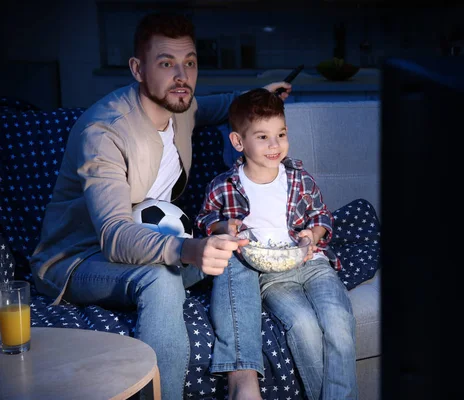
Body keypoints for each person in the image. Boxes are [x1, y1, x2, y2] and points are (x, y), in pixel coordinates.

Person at [30, 12, 292, 400]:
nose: (181, 75)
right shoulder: (103, 131)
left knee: (236, 249)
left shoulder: (181, 106)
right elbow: (114, 236)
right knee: (162, 280)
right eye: (166, 64)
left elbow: (211, 108)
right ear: (137, 69)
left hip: (153, 243)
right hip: (80, 259)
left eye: (189, 63)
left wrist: (257, 95)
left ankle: (243, 384)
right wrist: (188, 249)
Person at [196, 88, 358, 400]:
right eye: (263, 137)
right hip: (270, 275)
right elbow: (203, 219)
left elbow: (322, 215)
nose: (275, 145)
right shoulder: (224, 187)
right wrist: (222, 225)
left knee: (337, 320)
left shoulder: (298, 178)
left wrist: (313, 235)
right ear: (238, 142)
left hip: (312, 263)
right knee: (303, 326)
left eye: (281, 134)